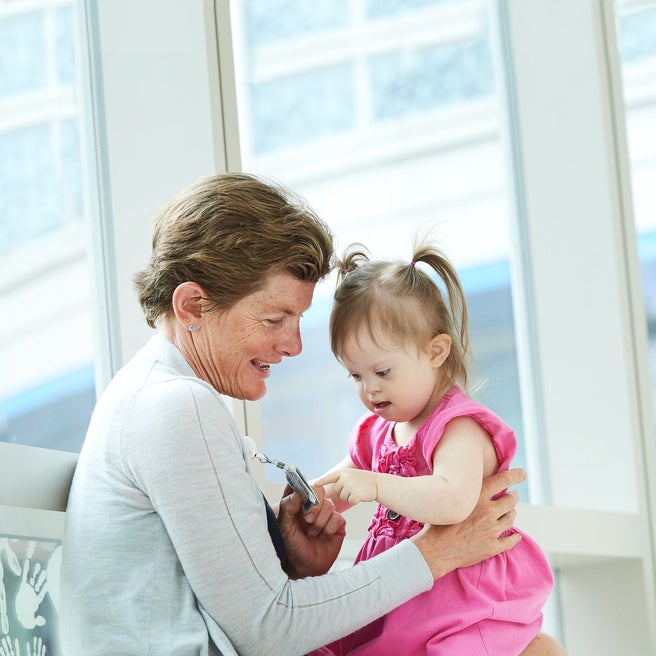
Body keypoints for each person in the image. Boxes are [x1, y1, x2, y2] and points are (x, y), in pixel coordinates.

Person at [59, 173, 564, 656]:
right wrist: (441, 551)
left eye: (298, 320)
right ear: (192, 306)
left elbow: (238, 614)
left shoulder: (150, 396)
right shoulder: (175, 406)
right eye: (276, 318)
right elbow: (268, 630)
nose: (295, 345)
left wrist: (294, 567)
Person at [312, 240, 558, 655]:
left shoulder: (458, 425)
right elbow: (341, 484)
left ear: (436, 352)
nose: (369, 388)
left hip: (460, 594)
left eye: (382, 371)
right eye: (354, 375)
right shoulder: (377, 430)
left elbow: (452, 501)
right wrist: (312, 500)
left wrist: (374, 484)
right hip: (407, 593)